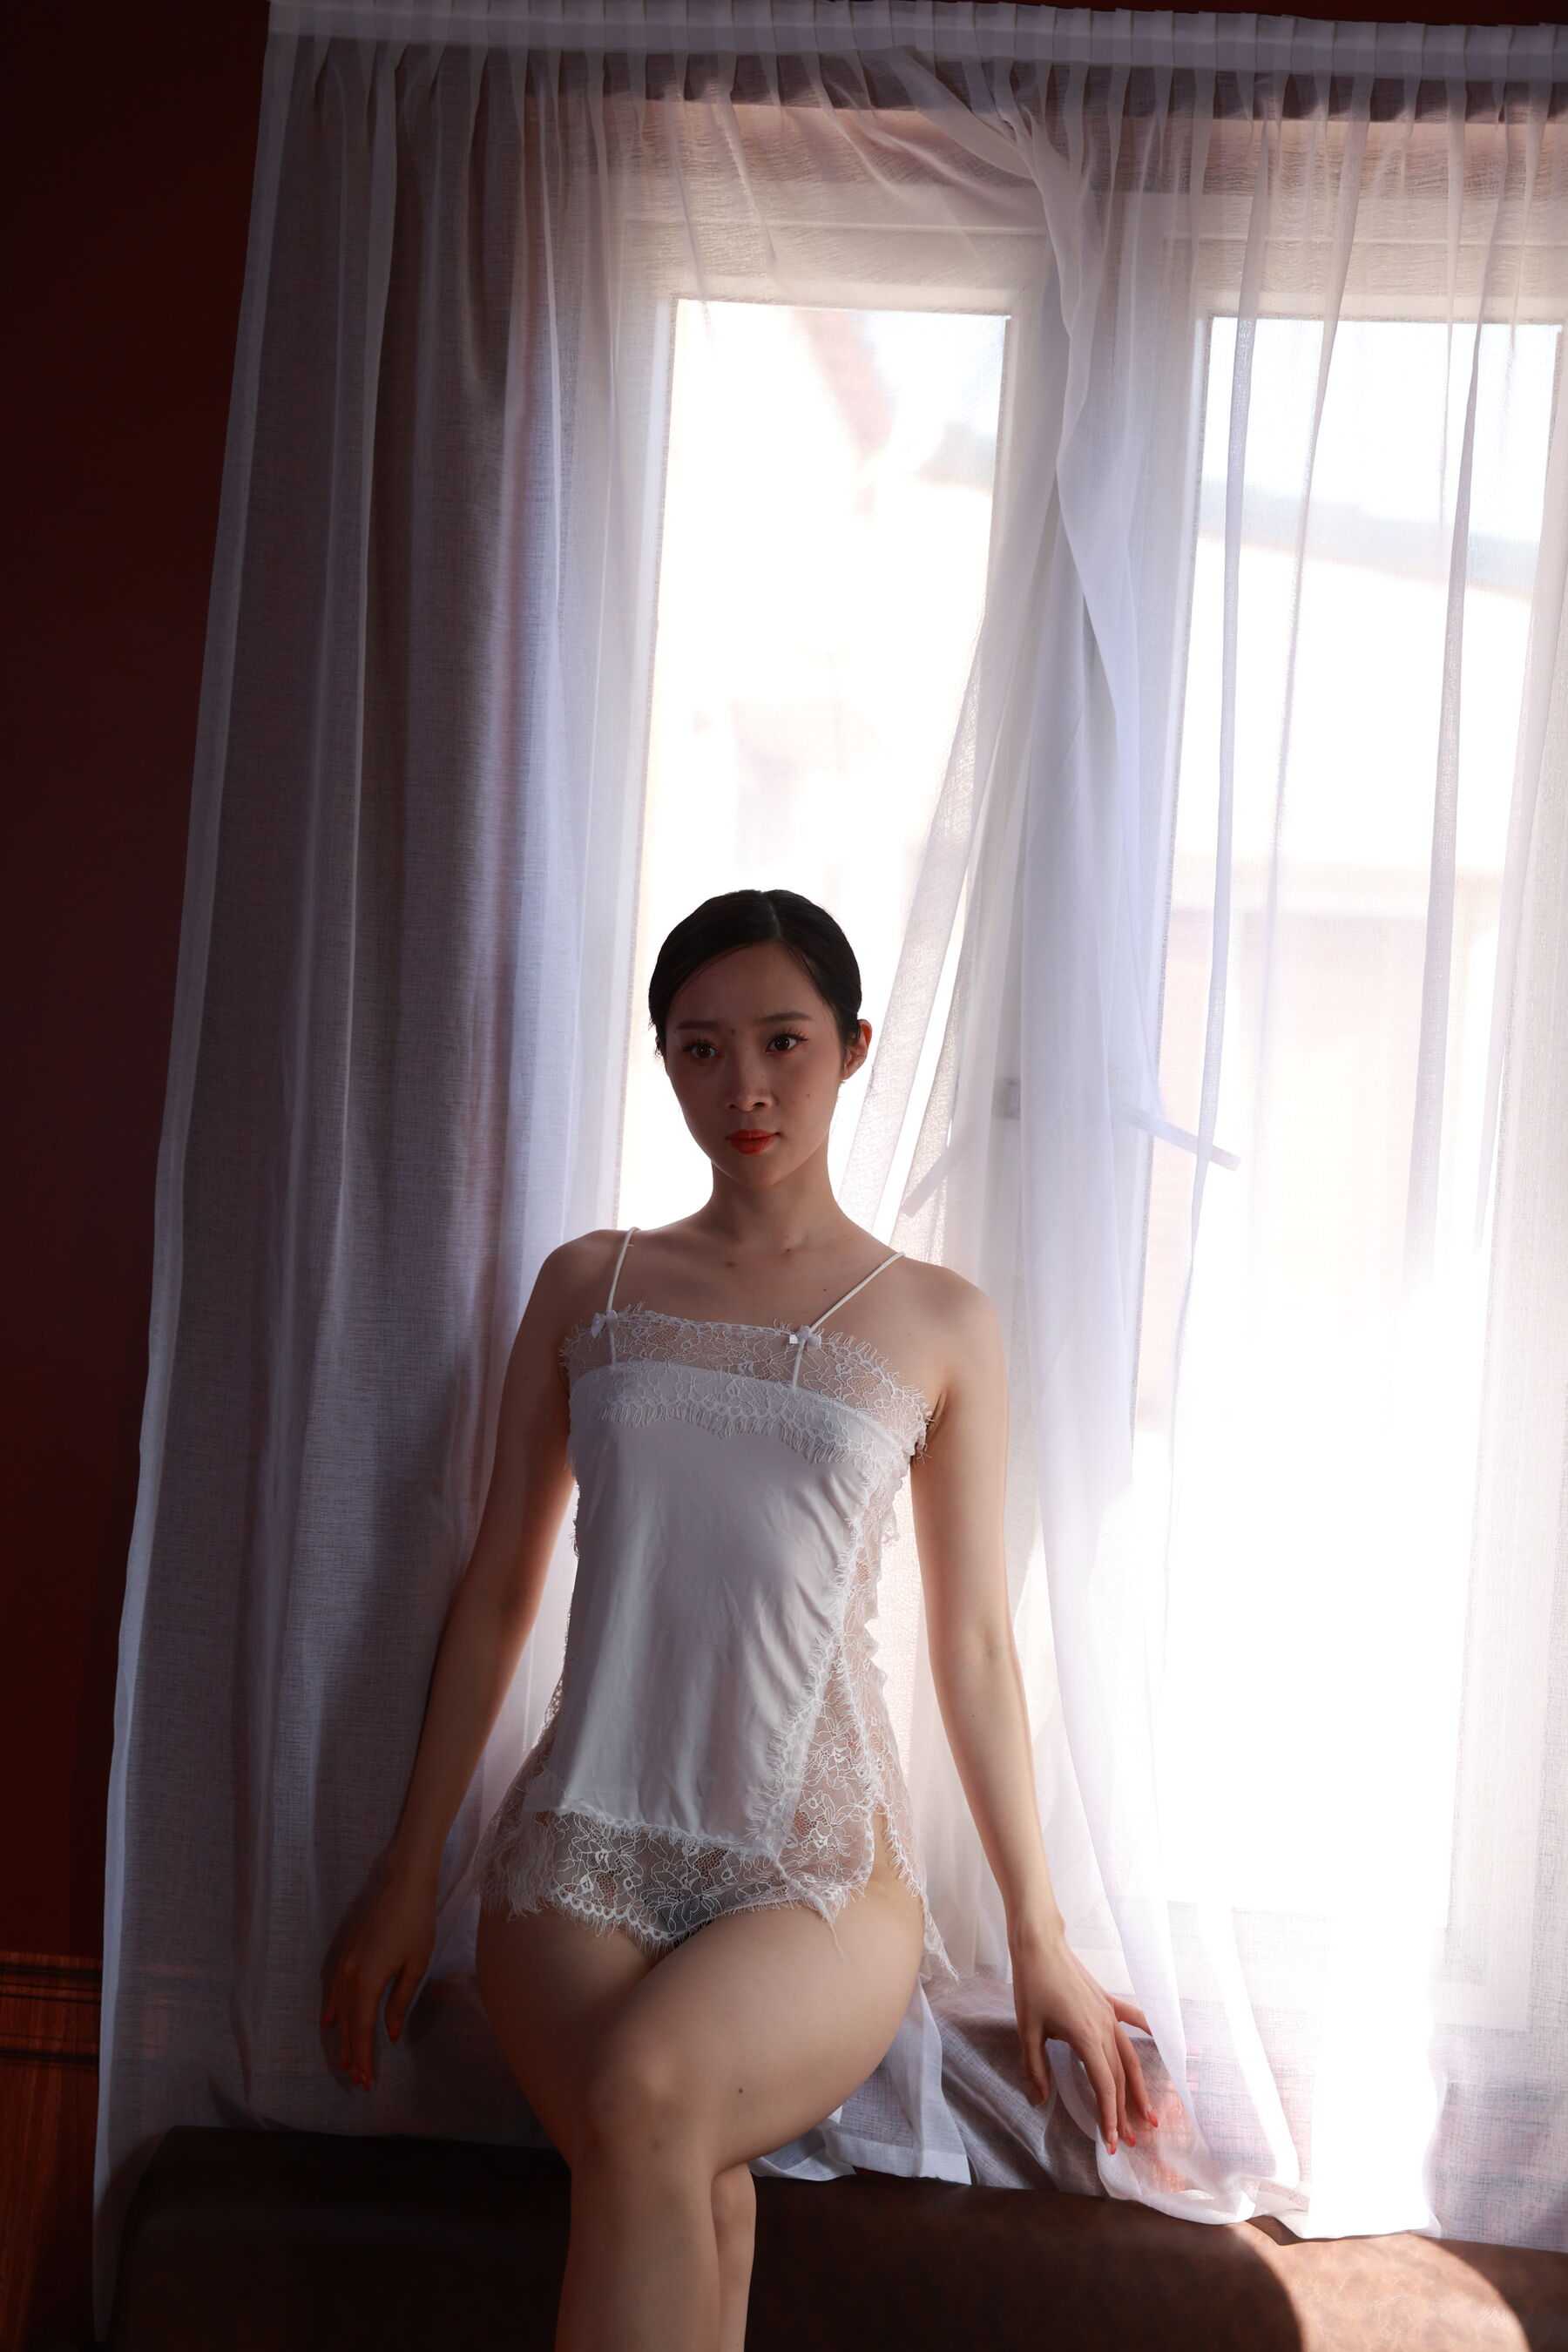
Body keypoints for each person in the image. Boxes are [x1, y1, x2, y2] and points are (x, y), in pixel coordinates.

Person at [321, 887, 1157, 2352]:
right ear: (665, 1062)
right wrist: (409, 1874)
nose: (746, 1088)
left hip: (817, 1866)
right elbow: (503, 1584)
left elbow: (973, 1645)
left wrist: (1038, 1931)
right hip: (574, 1850)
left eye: (783, 1042)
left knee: (650, 2106)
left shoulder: (939, 1319)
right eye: (701, 1049)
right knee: (677, 2168)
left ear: (854, 1046)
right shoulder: (590, 1282)